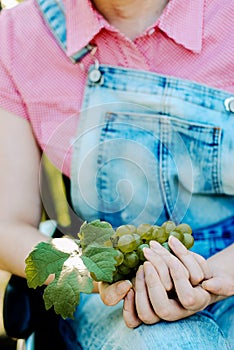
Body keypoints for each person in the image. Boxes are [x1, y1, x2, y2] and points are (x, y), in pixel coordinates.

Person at [0, 0, 233, 349]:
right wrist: (92, 270)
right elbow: (8, 226)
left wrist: (220, 275)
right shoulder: (19, 36)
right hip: (109, 287)